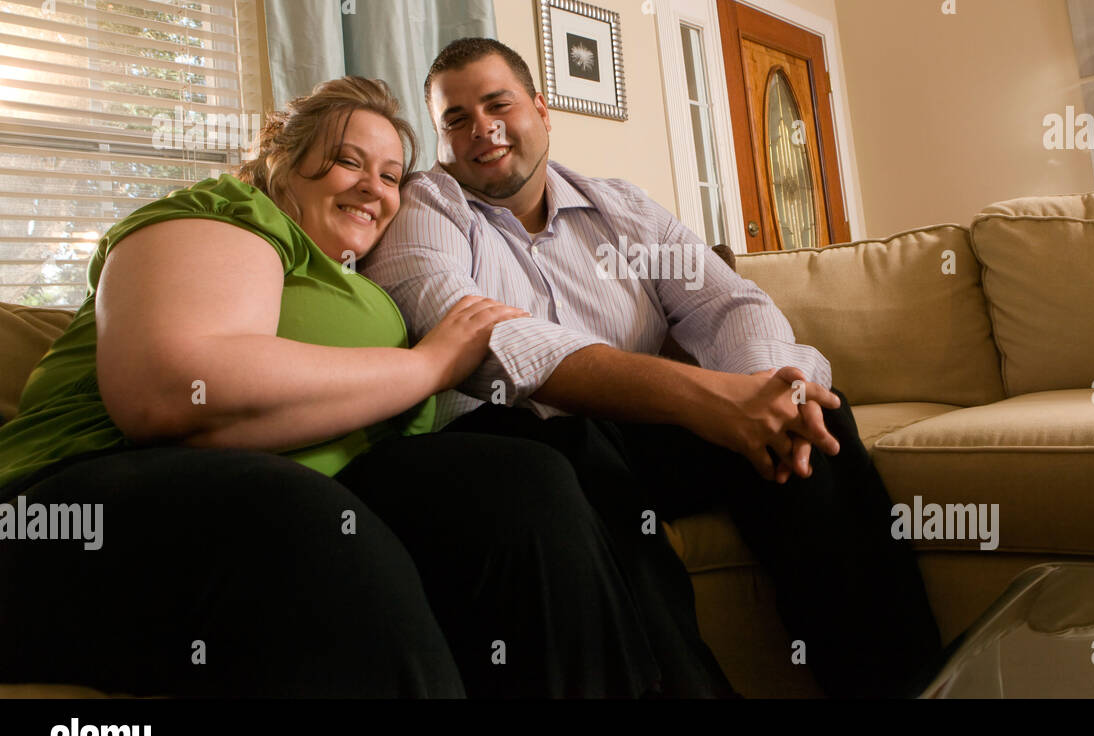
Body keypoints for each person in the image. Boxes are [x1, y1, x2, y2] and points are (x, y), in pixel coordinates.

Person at [0, 76, 662, 698]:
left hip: (308, 486)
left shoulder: (366, 283)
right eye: (349, 162)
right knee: (304, 520)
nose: (374, 187)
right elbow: (174, 391)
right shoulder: (226, 213)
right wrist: (429, 366)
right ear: (283, 161)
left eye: (391, 175)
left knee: (522, 484)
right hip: (72, 506)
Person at [362, 38, 946, 698]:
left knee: (813, 413)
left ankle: (907, 687)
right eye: (456, 119)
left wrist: (765, 386)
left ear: (542, 111)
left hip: (643, 430)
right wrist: (698, 394)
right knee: (576, 457)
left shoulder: (623, 207)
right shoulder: (428, 206)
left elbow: (729, 302)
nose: (482, 129)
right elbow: (477, 334)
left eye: (499, 104)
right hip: (523, 449)